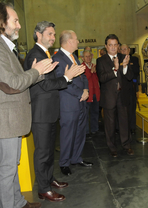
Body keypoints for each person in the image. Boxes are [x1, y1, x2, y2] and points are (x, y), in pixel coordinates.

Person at [0, 3, 58, 208]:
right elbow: (11, 85)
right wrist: (36, 71)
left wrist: (38, 73)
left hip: (11, 119)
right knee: (7, 168)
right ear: (1, 22)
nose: (19, 26)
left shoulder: (2, 46)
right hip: (5, 119)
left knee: (12, 166)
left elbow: (17, 79)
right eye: (15, 20)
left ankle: (18, 203)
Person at [23, 21, 84, 202]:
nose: (53, 37)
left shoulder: (44, 53)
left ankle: (48, 179)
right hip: (41, 113)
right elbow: (45, 84)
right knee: (42, 152)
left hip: (48, 111)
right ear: (38, 34)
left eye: (53, 34)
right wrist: (67, 77)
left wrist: (66, 77)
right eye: (49, 34)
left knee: (49, 150)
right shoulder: (36, 54)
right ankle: (43, 189)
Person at [52, 30, 93, 176]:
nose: (78, 42)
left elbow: (83, 77)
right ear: (69, 41)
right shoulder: (57, 59)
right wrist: (80, 93)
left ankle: (76, 158)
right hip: (68, 105)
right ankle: (64, 163)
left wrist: (86, 90)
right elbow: (62, 81)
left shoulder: (73, 56)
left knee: (80, 133)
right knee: (68, 134)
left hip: (81, 102)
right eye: (76, 39)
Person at [96, 34, 134, 158]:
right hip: (109, 97)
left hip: (122, 96)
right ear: (106, 46)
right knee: (110, 124)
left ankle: (126, 145)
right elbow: (102, 78)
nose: (113, 47)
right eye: (110, 45)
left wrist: (125, 66)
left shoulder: (124, 57)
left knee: (124, 122)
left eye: (115, 45)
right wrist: (115, 69)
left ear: (118, 46)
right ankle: (112, 147)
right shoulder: (101, 60)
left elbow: (129, 77)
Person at [120, 44, 140, 134]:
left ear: (129, 50)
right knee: (122, 109)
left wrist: (127, 65)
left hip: (131, 87)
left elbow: (136, 73)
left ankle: (132, 127)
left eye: (125, 49)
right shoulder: (118, 60)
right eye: (122, 49)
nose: (123, 51)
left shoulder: (134, 59)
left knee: (132, 108)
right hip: (121, 88)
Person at [82, 50, 101, 137]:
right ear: (83, 58)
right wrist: (91, 71)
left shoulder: (95, 66)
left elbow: (98, 79)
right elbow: (84, 79)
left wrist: (95, 71)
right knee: (86, 114)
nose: (88, 58)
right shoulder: (81, 67)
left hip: (95, 94)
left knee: (95, 112)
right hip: (87, 95)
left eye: (89, 56)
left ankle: (95, 129)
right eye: (86, 56)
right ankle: (86, 132)